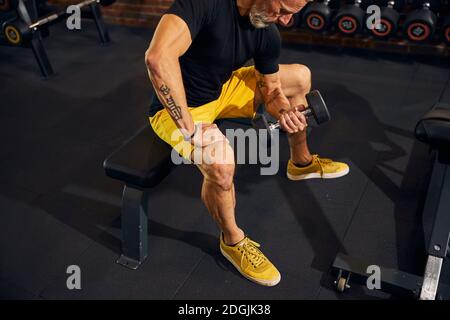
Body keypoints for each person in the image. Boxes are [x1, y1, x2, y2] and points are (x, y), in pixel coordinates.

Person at [145, 0, 349, 286]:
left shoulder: (266, 30)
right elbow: (158, 58)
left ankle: (300, 162)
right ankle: (232, 241)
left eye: (292, 14)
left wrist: (285, 112)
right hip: (180, 110)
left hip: (223, 89)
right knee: (221, 165)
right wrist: (190, 130)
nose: (286, 21)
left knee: (300, 77)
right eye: (284, 10)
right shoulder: (205, 5)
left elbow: (273, 89)